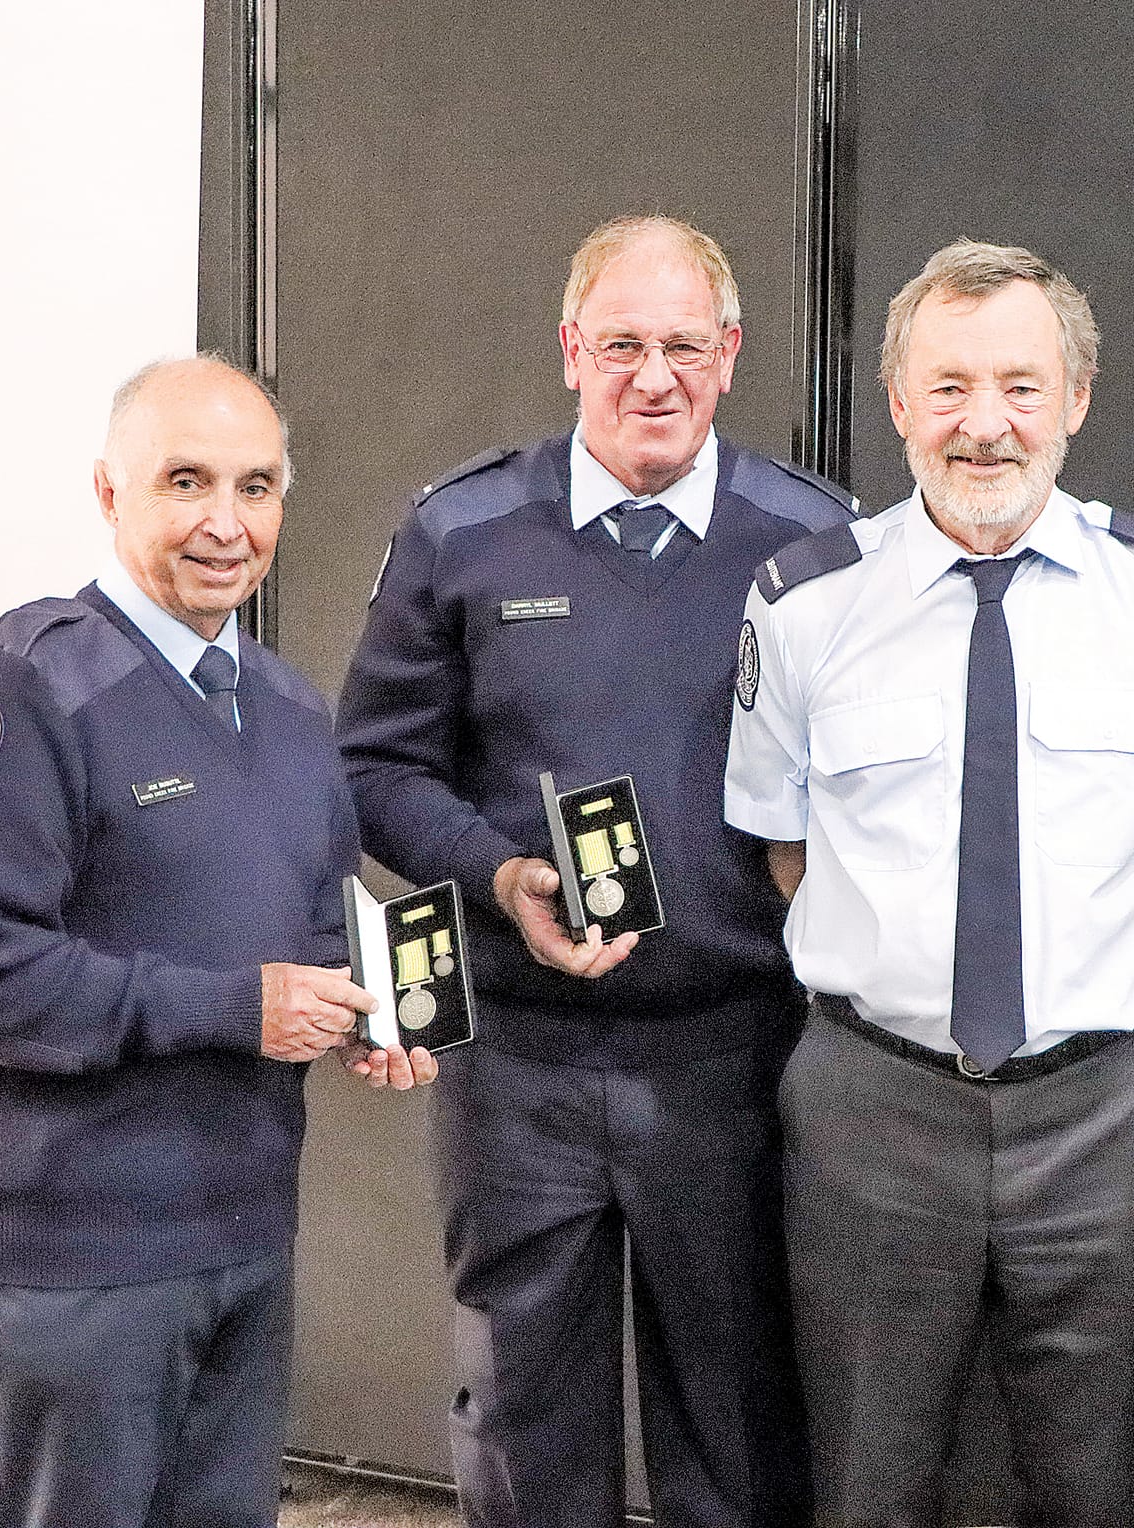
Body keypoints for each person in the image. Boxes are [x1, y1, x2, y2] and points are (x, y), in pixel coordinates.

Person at [337, 214, 851, 1528]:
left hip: (736, 1058)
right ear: (572, 350)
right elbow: (374, 771)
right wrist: (499, 875)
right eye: (621, 344)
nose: (654, 376)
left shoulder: (816, 548)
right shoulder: (462, 532)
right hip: (518, 1065)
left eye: (684, 345)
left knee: (739, 1422)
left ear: (729, 355)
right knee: (520, 1421)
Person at [725, 239, 1134, 1526]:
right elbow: (782, 846)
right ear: (897, 407)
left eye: (1019, 383)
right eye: (946, 388)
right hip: (870, 1113)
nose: (983, 424)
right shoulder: (800, 607)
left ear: (1074, 399)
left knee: (1095, 1484)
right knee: (864, 1481)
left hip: (1105, 1113)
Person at [0, 356, 437, 1528]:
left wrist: (368, 1018)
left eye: (255, 487)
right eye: (184, 481)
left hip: (240, 1228)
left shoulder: (295, 712)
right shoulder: (31, 681)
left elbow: (309, 928)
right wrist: (236, 1009)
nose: (223, 523)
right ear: (109, 492)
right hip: (71, 1244)